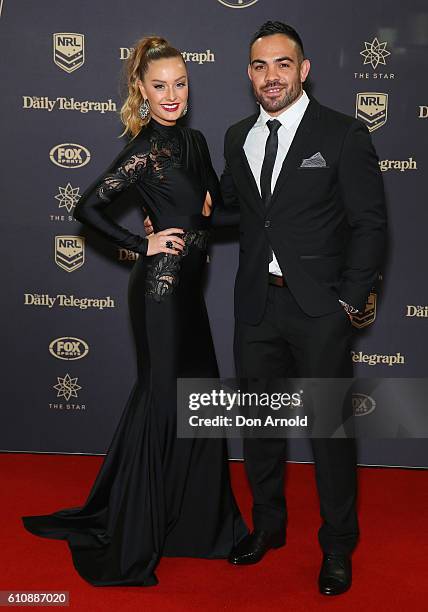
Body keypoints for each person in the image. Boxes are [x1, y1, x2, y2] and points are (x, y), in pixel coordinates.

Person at [21, 35, 248, 587]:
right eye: (159, 86)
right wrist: (138, 242)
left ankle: (195, 527)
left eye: (180, 83)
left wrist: (271, 206)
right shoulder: (147, 148)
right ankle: (138, 530)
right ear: (141, 91)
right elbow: (87, 206)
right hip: (160, 293)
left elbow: (212, 220)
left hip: (189, 293)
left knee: (198, 402)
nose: (171, 94)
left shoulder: (193, 143)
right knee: (164, 402)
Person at [220, 21, 387, 595]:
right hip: (256, 307)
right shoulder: (237, 136)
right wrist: (174, 215)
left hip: (319, 311)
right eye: (260, 66)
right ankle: (268, 526)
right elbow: (233, 210)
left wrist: (349, 300)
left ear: (304, 69)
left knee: (329, 433)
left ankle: (338, 547)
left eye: (282, 64)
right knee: (261, 427)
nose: (271, 76)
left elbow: (370, 225)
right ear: (249, 74)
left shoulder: (342, 134)